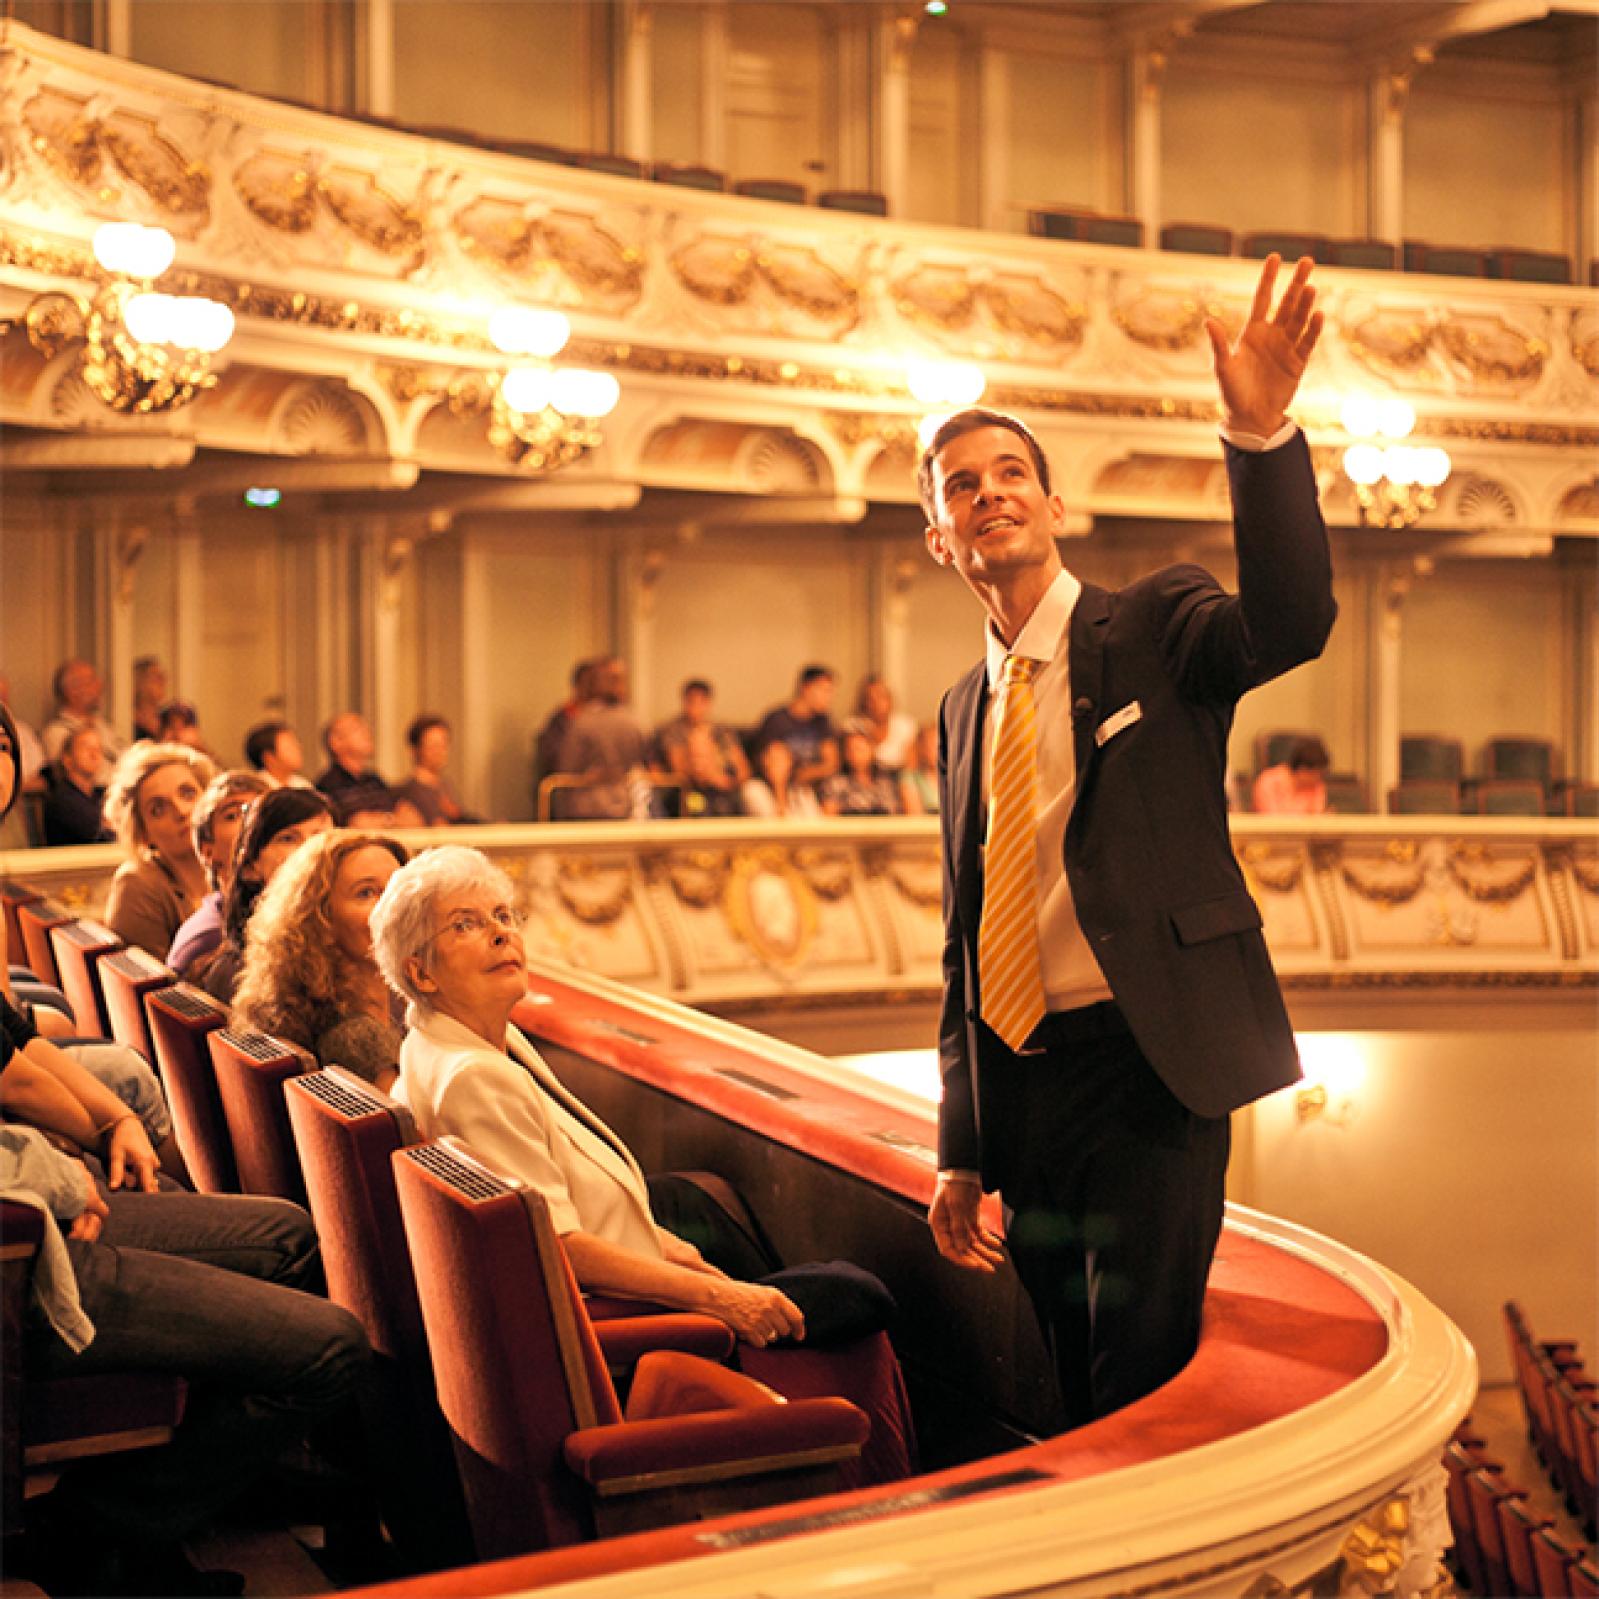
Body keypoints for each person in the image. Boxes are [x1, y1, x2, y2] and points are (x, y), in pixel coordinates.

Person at [920, 254, 1337, 1430]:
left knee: (1139, 1371)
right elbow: (966, 933)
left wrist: (1261, 440)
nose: (989, 493)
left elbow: (1292, 622)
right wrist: (962, 1144)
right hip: (1023, 1087)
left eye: (1012, 474)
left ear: (1057, 508)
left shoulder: (1155, 622)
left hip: (1152, 1068)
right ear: (939, 535)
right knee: (1055, 1368)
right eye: (961, 486)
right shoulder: (961, 708)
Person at [371, 846, 914, 1483]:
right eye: (465, 924)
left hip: (637, 1291)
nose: (500, 932)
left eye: (503, 914)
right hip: (629, 1329)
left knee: (827, 1282)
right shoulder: (471, 1078)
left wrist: (665, 1243)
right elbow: (560, 1249)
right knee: (860, 1295)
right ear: (422, 972)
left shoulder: (464, 1041)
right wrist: (723, 1297)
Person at [0, 1110, 368, 1596]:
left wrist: (99, 1134)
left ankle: (211, 1492)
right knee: (333, 1348)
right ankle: (89, 1532)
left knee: (288, 1236)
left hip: (31, 1199)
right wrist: (66, 1173)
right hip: (17, 1257)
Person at [234, 831, 409, 1090]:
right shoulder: (358, 1040)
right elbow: (412, 1131)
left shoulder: (311, 1007)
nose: (393, 907)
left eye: (399, 888)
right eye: (366, 893)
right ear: (320, 921)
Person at [196, 787, 336, 1004]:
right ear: (250, 868)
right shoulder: (241, 972)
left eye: (320, 836)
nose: (311, 849)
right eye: (288, 838)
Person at [102, 742, 218, 958]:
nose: (182, 811)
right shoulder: (136, 885)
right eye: (158, 809)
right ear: (143, 834)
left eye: (188, 794)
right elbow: (153, 988)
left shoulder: (239, 868)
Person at [167, 770, 271, 978]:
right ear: (207, 851)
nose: (253, 823)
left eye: (263, 814)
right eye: (233, 816)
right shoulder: (213, 940)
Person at [554, 657, 649, 820]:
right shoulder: (633, 722)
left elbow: (567, 766)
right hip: (622, 802)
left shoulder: (582, 722)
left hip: (585, 805)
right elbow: (640, 758)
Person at [655, 678, 750, 818]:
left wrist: (722, 780)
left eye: (701, 701)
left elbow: (743, 770)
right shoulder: (673, 730)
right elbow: (679, 769)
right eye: (691, 701)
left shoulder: (722, 731)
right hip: (690, 790)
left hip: (723, 789)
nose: (695, 707)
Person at [754, 666, 840, 791]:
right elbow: (770, 763)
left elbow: (831, 763)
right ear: (806, 688)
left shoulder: (823, 721)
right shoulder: (776, 720)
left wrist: (806, 774)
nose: (830, 698)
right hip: (776, 787)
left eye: (831, 692)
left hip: (809, 788)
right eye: (825, 691)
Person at [41, 658, 125, 783]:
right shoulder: (56, 733)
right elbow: (80, 779)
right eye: (91, 681)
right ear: (72, 691)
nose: (100, 686)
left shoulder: (103, 725)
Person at [315, 713, 407, 826]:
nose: (367, 732)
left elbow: (406, 816)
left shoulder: (374, 780)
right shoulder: (328, 786)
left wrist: (385, 819)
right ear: (336, 742)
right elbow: (355, 824)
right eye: (357, 728)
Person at [394, 715, 477, 826]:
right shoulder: (409, 792)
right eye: (432, 746)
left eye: (443, 745)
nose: (439, 752)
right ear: (415, 750)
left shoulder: (445, 786)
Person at [42, 725, 114, 845]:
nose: (94, 754)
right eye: (86, 748)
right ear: (67, 759)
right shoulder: (62, 800)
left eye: (98, 749)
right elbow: (99, 835)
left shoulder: (101, 795)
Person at [821, 728, 901, 816]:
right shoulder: (835, 783)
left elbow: (894, 812)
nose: (854, 754)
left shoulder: (886, 780)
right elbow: (829, 818)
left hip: (884, 828)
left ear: (872, 749)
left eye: (859, 748)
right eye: (849, 749)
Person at [740, 737, 822, 819]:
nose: (776, 763)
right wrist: (778, 786)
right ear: (763, 761)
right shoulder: (753, 789)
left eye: (781, 758)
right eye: (771, 758)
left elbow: (816, 822)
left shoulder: (802, 791)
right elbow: (772, 824)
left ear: (790, 761)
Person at [1253, 735, 1331, 815]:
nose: (1319, 779)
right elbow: (1271, 820)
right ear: (1303, 770)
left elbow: (1317, 819)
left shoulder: (1317, 786)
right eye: (1317, 774)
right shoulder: (1267, 782)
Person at [853, 676, 918, 773]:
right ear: (863, 702)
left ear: (890, 699)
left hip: (900, 779)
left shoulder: (905, 725)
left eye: (881, 696)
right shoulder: (853, 726)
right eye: (870, 698)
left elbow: (912, 763)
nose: (876, 703)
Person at [244, 720, 314, 789]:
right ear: (269, 757)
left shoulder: (302, 785)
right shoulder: (256, 789)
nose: (299, 749)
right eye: (290, 746)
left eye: (296, 745)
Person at [898, 724, 940, 816]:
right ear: (922, 747)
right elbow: (915, 815)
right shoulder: (910, 777)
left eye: (939, 745)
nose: (935, 750)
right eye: (930, 745)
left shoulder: (957, 778)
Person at [131, 656, 169, 743]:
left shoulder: (167, 717)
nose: (163, 681)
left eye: (163, 676)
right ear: (139, 682)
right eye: (157, 677)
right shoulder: (128, 719)